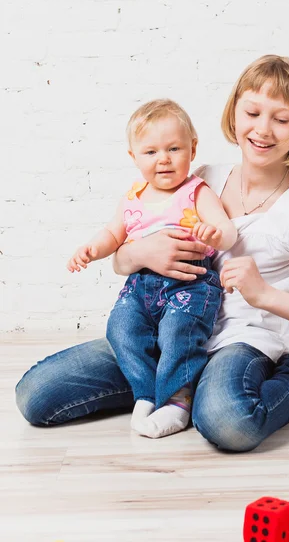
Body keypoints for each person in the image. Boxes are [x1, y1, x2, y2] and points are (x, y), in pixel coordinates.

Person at [15, 55, 289, 453]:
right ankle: (172, 387)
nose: (262, 129)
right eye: (252, 112)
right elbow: (121, 260)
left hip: (240, 344)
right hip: (171, 334)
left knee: (228, 423)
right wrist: (141, 252)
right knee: (36, 395)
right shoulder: (201, 177)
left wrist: (266, 296)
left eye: (281, 119)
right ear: (234, 111)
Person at [66, 99, 237, 438]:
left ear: (193, 148)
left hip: (190, 284)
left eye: (174, 148)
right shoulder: (133, 197)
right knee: (121, 327)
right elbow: (113, 235)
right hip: (140, 286)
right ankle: (145, 391)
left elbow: (227, 230)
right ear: (133, 157)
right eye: (151, 152)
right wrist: (92, 249)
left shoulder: (196, 191)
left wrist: (214, 233)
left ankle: (177, 401)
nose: (164, 159)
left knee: (179, 332)